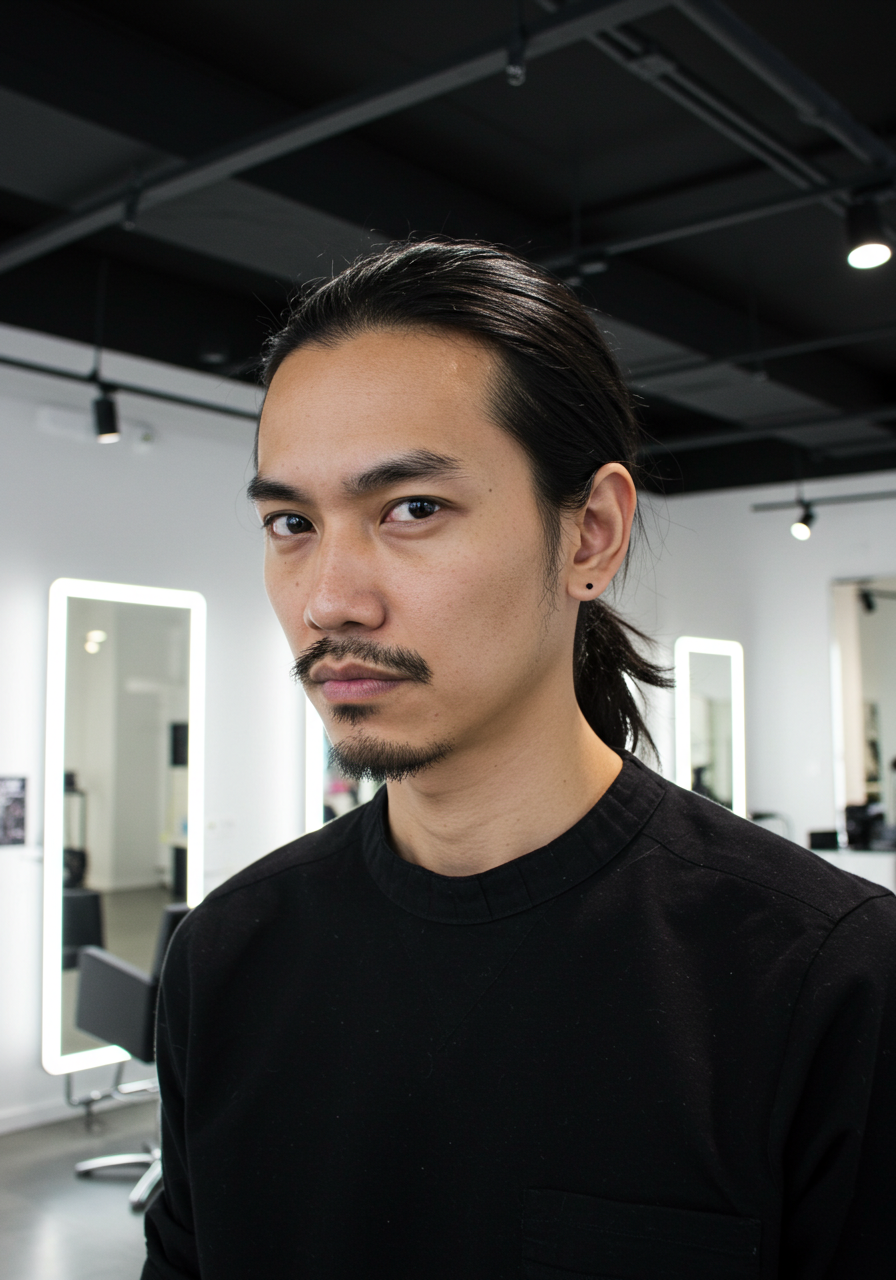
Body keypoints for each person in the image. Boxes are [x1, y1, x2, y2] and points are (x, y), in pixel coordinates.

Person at [143, 240, 896, 1280]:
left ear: (589, 533)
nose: (328, 598)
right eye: (290, 521)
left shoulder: (827, 979)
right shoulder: (225, 957)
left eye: (410, 508)